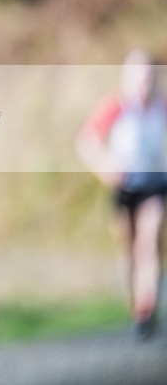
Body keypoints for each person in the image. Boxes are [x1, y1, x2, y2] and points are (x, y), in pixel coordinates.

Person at [76, 49, 165, 341]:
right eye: (138, 78)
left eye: (148, 77)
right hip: (124, 186)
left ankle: (146, 307)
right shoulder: (115, 106)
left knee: (149, 241)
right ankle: (135, 305)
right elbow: (86, 141)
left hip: (155, 184)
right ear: (127, 78)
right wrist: (103, 165)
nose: (144, 84)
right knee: (128, 250)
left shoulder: (162, 107)